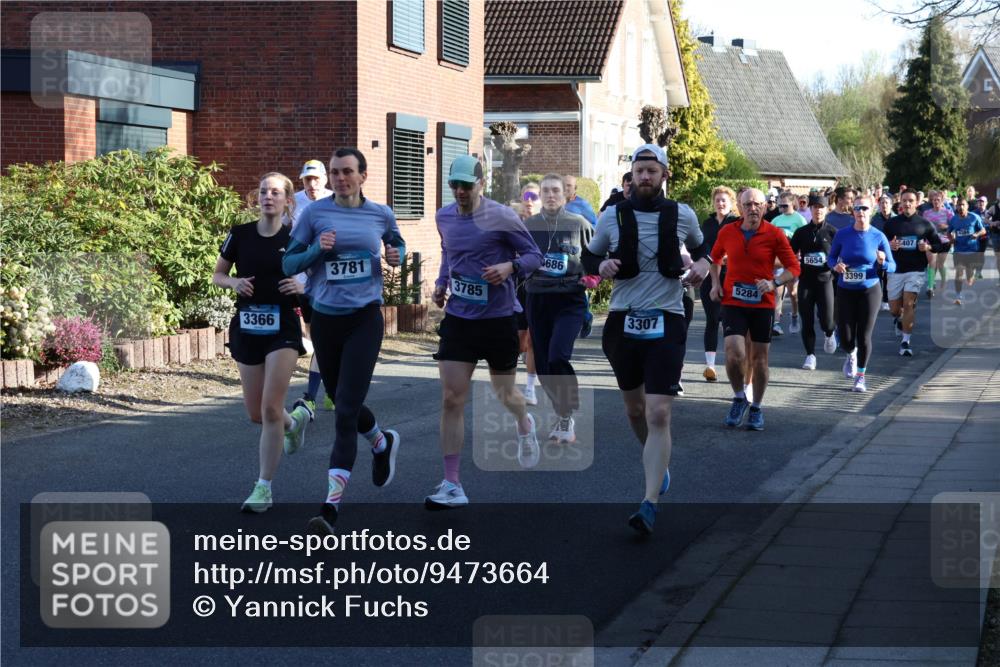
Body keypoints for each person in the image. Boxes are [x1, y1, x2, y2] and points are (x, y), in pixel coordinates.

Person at [581, 143, 711, 535]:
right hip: (623, 319)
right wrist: (601, 264)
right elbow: (589, 257)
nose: (644, 177)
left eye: (652, 171)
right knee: (635, 411)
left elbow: (703, 250)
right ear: (632, 175)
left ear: (664, 174)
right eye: (639, 170)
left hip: (667, 319)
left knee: (658, 413)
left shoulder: (682, 214)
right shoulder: (613, 215)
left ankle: (649, 502)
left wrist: (703, 265)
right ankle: (657, 460)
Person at [282, 148, 404, 535]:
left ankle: (330, 507)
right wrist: (317, 249)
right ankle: (381, 443)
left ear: (363, 176)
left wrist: (395, 255)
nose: (340, 178)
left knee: (345, 410)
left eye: (347, 172)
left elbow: (397, 245)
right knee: (339, 397)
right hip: (325, 320)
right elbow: (288, 263)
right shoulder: (314, 215)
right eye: (335, 172)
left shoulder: (381, 214)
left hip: (365, 319)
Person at [426, 155, 543, 509]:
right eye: (454, 185)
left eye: (466, 185)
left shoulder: (502, 216)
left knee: (504, 393)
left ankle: (524, 421)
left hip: (498, 318)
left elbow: (534, 255)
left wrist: (510, 267)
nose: (460, 191)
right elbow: (448, 252)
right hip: (459, 319)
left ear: (481, 184)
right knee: (451, 398)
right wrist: (442, 283)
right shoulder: (444, 216)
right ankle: (452, 484)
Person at [213, 172, 311, 513]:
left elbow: (316, 278)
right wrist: (234, 283)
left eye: (276, 192)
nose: (269, 197)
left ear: (287, 201)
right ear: (257, 197)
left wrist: (301, 287)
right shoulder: (240, 234)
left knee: (270, 407)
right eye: (264, 191)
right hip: (247, 327)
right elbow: (218, 275)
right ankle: (294, 423)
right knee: (257, 413)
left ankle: (263, 488)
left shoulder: (296, 238)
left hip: (283, 327)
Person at [710, 188, 800, 431]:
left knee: (759, 359)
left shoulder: (774, 234)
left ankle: (757, 407)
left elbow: (793, 267)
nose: (753, 209)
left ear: (765, 207)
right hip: (733, 301)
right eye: (748, 204)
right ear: (740, 207)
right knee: (733, 352)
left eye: (758, 204)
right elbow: (714, 259)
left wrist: (774, 283)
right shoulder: (727, 232)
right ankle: (739, 397)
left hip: (762, 304)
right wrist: (716, 284)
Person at [523, 174, 595, 443]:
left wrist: (594, 276)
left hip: (569, 300)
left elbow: (597, 256)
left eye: (556, 191)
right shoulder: (528, 226)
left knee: (557, 356)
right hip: (538, 299)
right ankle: (562, 412)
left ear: (565, 195)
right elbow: (515, 257)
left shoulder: (579, 224)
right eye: (546, 191)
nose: (551, 195)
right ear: (540, 195)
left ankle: (567, 412)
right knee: (543, 366)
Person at [828, 195, 895, 392]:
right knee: (846, 337)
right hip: (845, 290)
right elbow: (831, 258)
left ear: (871, 210)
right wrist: (836, 266)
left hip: (869, 290)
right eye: (857, 208)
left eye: (864, 208)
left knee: (864, 336)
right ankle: (851, 354)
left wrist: (882, 262)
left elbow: (893, 266)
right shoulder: (842, 234)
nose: (860, 212)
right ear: (853, 212)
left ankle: (860, 376)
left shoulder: (878, 236)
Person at [291, 160, 335, 415]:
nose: (312, 184)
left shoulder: (336, 201)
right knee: (315, 337)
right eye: (308, 179)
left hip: (326, 280)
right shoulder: (293, 202)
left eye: (316, 178)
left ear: (325, 179)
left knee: (321, 337)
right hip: (301, 281)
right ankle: (329, 389)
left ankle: (313, 395)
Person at [883, 190, 943, 357]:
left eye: (910, 200)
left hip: (915, 270)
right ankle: (899, 318)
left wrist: (928, 247)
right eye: (904, 200)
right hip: (895, 270)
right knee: (894, 310)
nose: (907, 203)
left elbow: (939, 245)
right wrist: (889, 245)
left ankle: (905, 342)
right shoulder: (891, 224)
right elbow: (880, 244)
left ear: (917, 203)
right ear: (900, 203)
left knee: (909, 304)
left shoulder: (925, 224)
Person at [790, 194, 839, 370]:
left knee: (827, 321)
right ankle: (810, 355)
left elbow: (842, 255)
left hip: (825, 280)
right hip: (806, 281)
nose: (818, 210)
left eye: (821, 207)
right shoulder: (801, 232)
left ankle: (829, 333)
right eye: (815, 207)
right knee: (807, 319)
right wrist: (794, 264)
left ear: (827, 210)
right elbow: (790, 253)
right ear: (810, 209)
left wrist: (838, 265)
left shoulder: (833, 232)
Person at [699, 186, 739, 382]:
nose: (720, 203)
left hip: (732, 276)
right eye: (717, 200)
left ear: (731, 203)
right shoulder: (707, 224)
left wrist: (727, 257)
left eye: (724, 200)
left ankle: (734, 363)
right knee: (712, 319)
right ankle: (710, 366)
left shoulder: (736, 223)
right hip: (709, 276)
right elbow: (700, 247)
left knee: (729, 321)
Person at [516, 182, 542, 404]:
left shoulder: (548, 226)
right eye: (526, 197)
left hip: (540, 288)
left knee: (533, 339)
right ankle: (524, 353)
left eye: (534, 197)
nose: (530, 201)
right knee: (520, 341)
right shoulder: (512, 224)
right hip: (517, 288)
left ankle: (530, 388)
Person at [770, 191, 807, 335]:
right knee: (777, 290)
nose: (782, 209)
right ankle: (776, 323)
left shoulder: (800, 219)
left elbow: (805, 239)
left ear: (793, 203)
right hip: (778, 260)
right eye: (779, 206)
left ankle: (795, 315)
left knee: (792, 293)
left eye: (785, 206)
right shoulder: (776, 220)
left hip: (793, 260)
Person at [948, 196, 987, 305]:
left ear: (967, 206)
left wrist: (977, 234)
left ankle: (971, 275)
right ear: (956, 207)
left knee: (969, 276)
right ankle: (958, 296)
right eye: (959, 205)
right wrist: (951, 240)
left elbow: (983, 230)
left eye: (963, 205)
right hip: (959, 250)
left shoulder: (974, 217)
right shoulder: (954, 219)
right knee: (959, 273)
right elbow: (948, 232)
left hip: (972, 250)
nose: (961, 207)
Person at [923, 190, 954, 299]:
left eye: (938, 200)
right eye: (934, 200)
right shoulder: (927, 213)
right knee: (931, 263)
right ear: (931, 201)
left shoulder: (948, 212)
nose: (936, 202)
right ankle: (930, 287)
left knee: (940, 264)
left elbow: (955, 225)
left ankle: (944, 280)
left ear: (942, 201)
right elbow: (923, 226)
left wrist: (946, 227)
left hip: (944, 241)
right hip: (930, 241)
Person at [870, 195, 895, 311]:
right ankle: (877, 299)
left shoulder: (896, 219)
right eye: (882, 203)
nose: (884, 205)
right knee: (878, 276)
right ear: (879, 205)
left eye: (886, 203)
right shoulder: (874, 219)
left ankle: (886, 299)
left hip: (893, 252)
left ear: (891, 205)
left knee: (888, 277)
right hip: (877, 251)